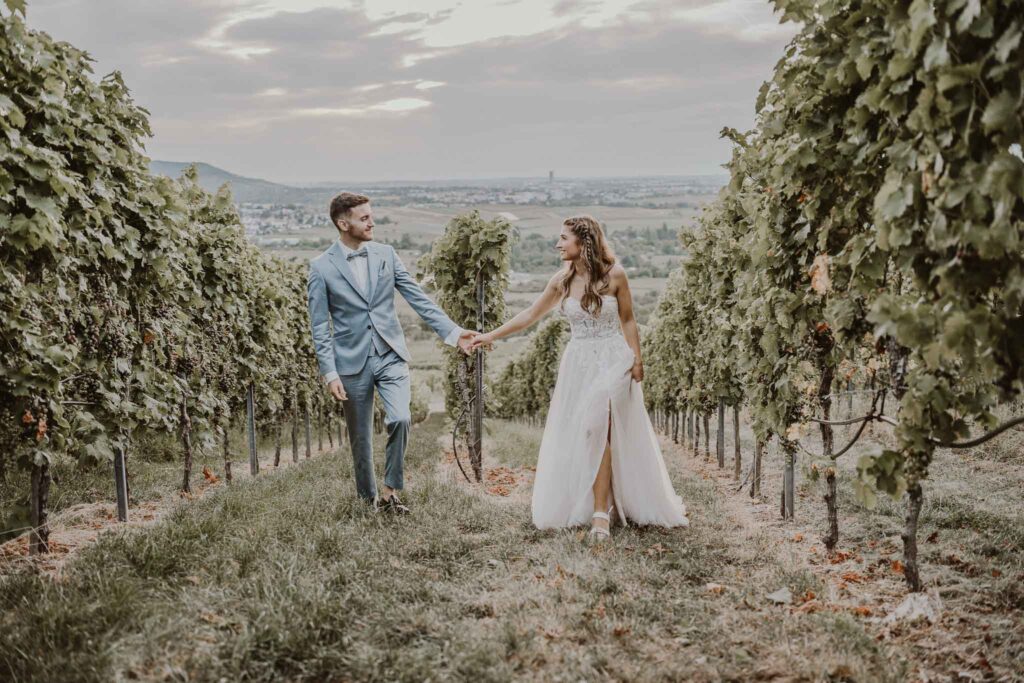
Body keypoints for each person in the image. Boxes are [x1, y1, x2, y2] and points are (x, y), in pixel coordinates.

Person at [471, 216, 688, 539]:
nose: (558, 244)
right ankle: (605, 503)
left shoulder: (615, 275)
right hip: (579, 363)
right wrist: (490, 336)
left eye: (563, 238)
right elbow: (530, 315)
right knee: (594, 432)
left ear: (583, 242)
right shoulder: (561, 281)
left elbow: (628, 320)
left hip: (614, 359)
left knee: (596, 426)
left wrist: (637, 360)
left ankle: (600, 513)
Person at [307, 192, 477, 514]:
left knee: (400, 417)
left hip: (390, 354)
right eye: (364, 218)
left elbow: (418, 298)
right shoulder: (320, 268)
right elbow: (319, 327)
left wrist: (454, 334)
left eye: (372, 215)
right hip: (350, 362)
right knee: (360, 440)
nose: (372, 222)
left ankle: (389, 493)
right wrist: (330, 373)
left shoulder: (387, 254)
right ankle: (366, 499)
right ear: (343, 224)